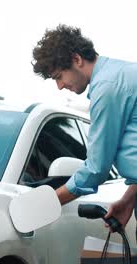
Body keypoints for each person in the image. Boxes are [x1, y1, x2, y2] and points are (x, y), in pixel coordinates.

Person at [31, 24, 137, 233]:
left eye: (59, 76)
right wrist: (128, 200)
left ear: (77, 60)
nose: (60, 86)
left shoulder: (108, 87)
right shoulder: (120, 74)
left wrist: (43, 205)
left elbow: (96, 168)